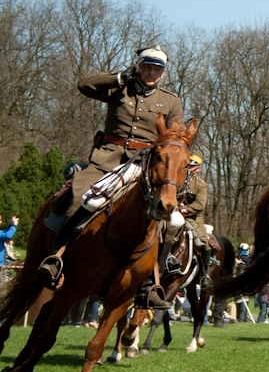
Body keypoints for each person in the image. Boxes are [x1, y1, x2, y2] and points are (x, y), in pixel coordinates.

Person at [37, 46, 184, 308]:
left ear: (163, 74)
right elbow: (84, 85)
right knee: (79, 196)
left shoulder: (170, 101)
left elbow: (174, 137)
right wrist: (119, 78)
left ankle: (151, 283)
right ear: (139, 67)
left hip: (143, 165)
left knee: (165, 216)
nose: (152, 73)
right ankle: (57, 258)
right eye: (148, 67)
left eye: (157, 70)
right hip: (107, 158)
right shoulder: (120, 89)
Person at [179, 153, 213, 290]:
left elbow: (200, 205)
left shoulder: (200, 185)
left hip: (192, 217)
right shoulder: (178, 179)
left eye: (193, 166)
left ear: (198, 168)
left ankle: (205, 275)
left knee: (202, 242)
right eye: (188, 165)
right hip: (171, 214)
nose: (189, 168)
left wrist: (184, 210)